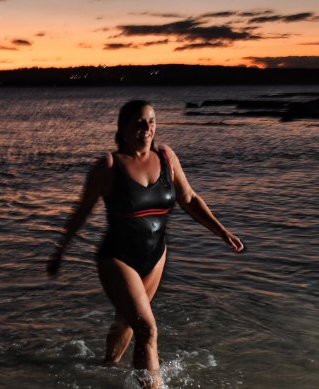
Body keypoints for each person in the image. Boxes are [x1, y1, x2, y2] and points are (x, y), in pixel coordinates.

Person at [47, 100, 244, 388]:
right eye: (139, 122)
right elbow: (82, 210)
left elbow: (188, 198)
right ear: (123, 128)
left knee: (128, 322)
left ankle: (106, 369)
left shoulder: (166, 157)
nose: (147, 128)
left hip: (155, 256)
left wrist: (222, 232)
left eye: (151, 121)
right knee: (147, 329)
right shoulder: (109, 166)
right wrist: (60, 250)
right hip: (118, 257)